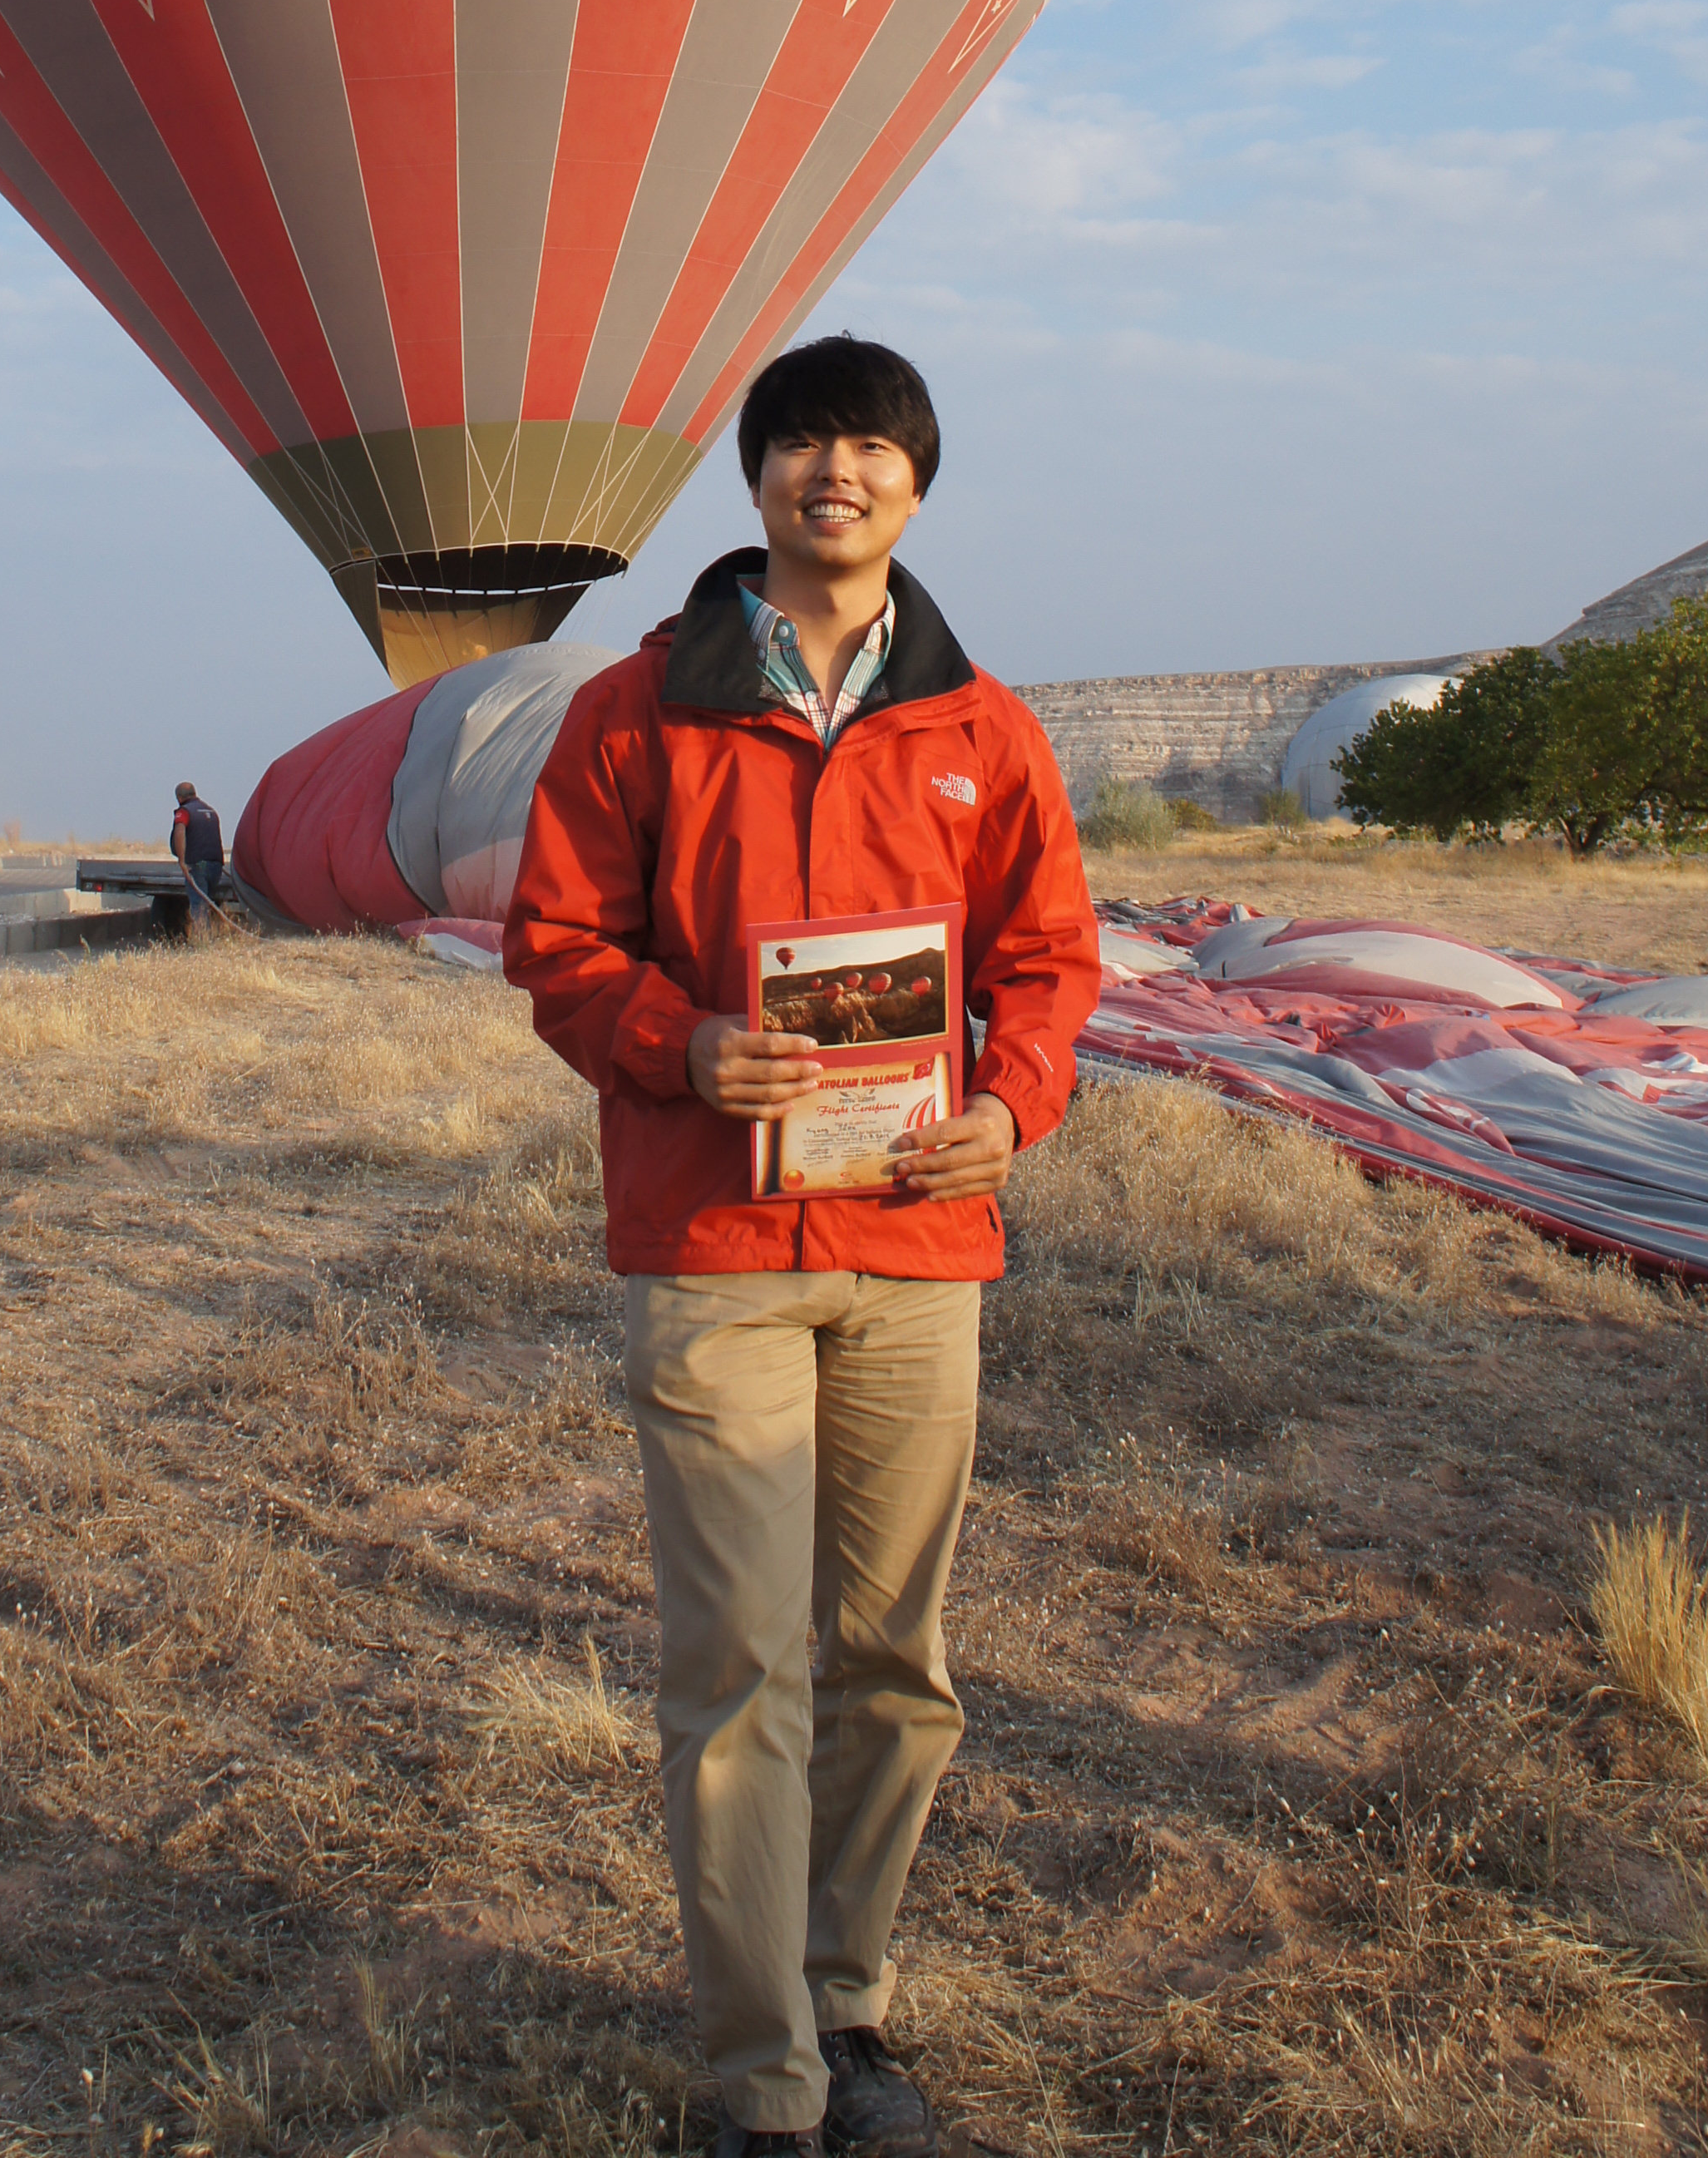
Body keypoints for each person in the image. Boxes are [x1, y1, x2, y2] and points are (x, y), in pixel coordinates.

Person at [503, 334, 1099, 2158]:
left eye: (869, 446)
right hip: (718, 1239)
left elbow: (1051, 959)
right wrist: (680, 1041)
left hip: (920, 1242)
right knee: (736, 1665)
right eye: (799, 443)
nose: (833, 472)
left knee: (893, 1660)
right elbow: (555, 940)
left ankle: (854, 2010)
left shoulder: (983, 727)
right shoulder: (633, 708)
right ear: (752, 474)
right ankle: (757, 2076)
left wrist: (1017, 1099)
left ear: (916, 482)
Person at [169, 779, 229, 899]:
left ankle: (200, 919)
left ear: (179, 798)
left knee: (199, 906)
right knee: (208, 902)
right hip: (216, 865)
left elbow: (180, 831)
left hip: (198, 865)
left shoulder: (184, 812)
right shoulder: (211, 811)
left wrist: (181, 861)